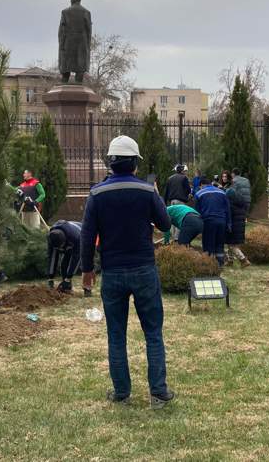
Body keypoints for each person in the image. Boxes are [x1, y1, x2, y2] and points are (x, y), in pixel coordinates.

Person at [80, 135, 174, 409]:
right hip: (144, 268)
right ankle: (158, 392)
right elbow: (166, 223)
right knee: (153, 332)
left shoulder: (96, 193)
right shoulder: (146, 191)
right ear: (134, 163)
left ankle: (121, 392)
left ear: (111, 162)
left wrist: (87, 271)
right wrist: (154, 195)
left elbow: (87, 236)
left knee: (116, 333)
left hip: (112, 271)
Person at [195, 177, 232, 267]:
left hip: (208, 221)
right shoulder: (222, 192)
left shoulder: (199, 193)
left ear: (201, 185)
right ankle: (220, 264)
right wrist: (229, 224)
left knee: (208, 243)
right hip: (221, 221)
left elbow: (197, 211)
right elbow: (228, 209)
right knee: (219, 243)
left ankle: (208, 264)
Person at [47, 220, 83, 295]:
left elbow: (76, 258)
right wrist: (50, 277)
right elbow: (52, 257)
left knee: (86, 266)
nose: (60, 249)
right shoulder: (51, 238)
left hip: (84, 237)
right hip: (69, 240)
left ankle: (87, 289)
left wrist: (69, 277)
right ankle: (66, 287)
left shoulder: (75, 237)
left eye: (61, 247)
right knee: (64, 265)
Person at [225, 168, 252, 267]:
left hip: (235, 216)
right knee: (230, 241)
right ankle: (230, 260)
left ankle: (243, 259)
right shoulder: (246, 181)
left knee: (231, 242)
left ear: (232, 174)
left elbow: (231, 193)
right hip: (244, 208)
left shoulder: (233, 185)